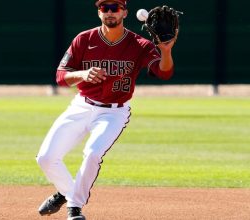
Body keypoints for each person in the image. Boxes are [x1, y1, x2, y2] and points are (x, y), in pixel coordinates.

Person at [36, 0, 177, 219]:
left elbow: (164, 72)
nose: (110, 12)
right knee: (45, 158)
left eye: (115, 7)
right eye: (105, 8)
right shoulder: (84, 39)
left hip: (114, 112)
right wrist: (82, 74)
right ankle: (67, 192)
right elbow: (60, 76)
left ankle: (74, 207)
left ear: (125, 12)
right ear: (99, 12)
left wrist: (166, 51)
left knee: (92, 153)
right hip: (81, 105)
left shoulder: (139, 44)